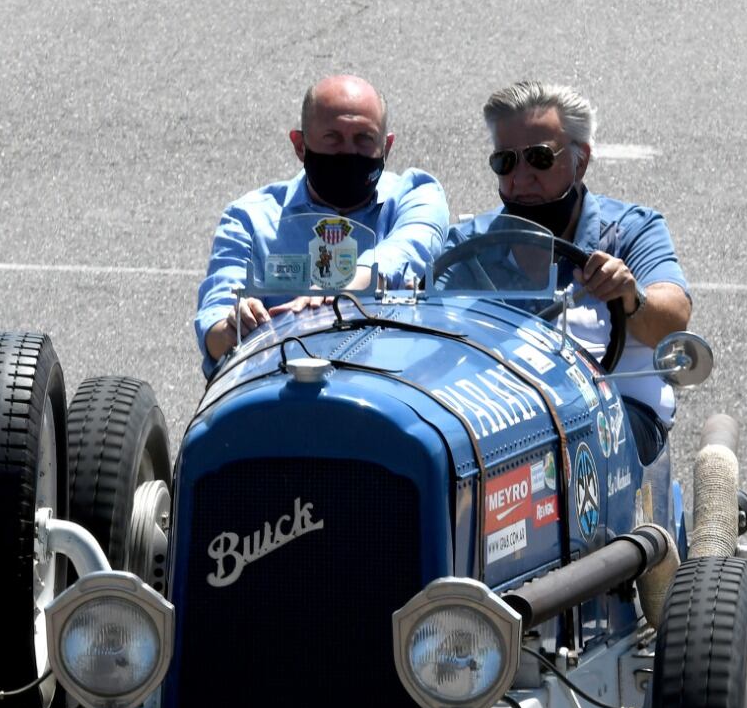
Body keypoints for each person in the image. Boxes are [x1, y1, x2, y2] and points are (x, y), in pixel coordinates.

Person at [447, 81, 691, 463]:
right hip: (499, 413)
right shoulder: (467, 245)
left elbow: (673, 322)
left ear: (582, 160)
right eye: (506, 162)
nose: (522, 177)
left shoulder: (631, 230)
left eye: (540, 158)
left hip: (619, 411)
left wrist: (630, 296)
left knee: (555, 448)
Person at [195, 75, 449, 370]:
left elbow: (410, 248)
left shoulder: (415, 195)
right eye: (333, 139)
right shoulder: (249, 220)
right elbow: (212, 325)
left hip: (390, 385)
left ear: (387, 146)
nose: (349, 153)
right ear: (300, 145)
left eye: (364, 139)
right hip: (282, 386)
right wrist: (236, 325)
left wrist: (347, 286)